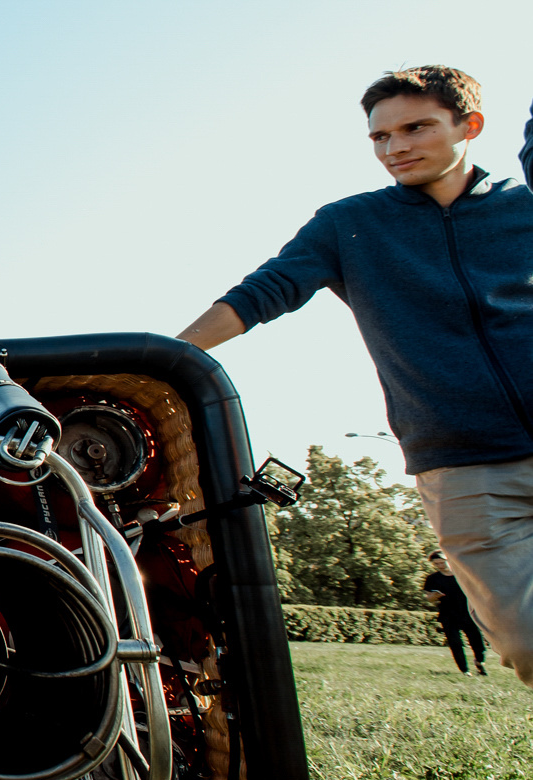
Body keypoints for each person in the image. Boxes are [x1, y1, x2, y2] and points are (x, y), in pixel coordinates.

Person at [176, 66, 533, 686]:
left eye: (416, 128)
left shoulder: (524, 208)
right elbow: (266, 291)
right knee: (528, 645)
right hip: (466, 469)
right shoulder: (349, 224)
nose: (396, 148)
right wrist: (163, 356)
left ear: (469, 126)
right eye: (380, 137)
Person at [424, 550, 488, 676]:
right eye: (437, 564)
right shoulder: (433, 579)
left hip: (468, 613)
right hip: (448, 615)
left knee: (477, 642)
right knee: (455, 643)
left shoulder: (463, 575)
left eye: (442, 562)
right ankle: (465, 670)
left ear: (449, 560)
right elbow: (428, 598)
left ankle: (480, 662)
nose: (440, 566)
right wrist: (434, 596)